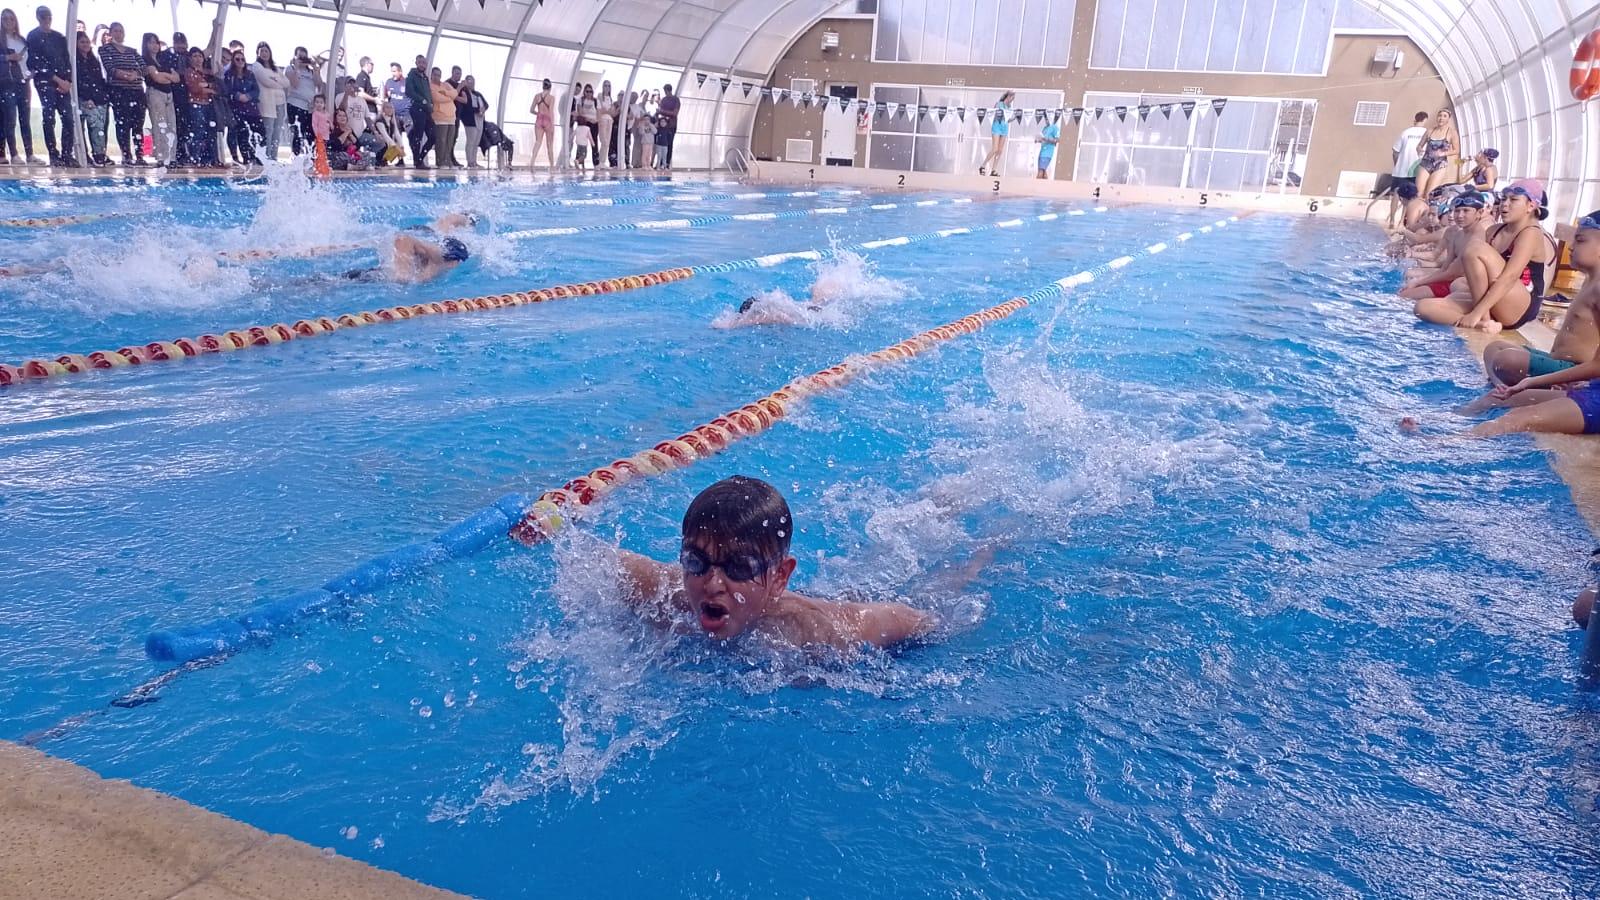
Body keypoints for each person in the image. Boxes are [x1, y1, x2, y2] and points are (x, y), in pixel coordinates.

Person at [611, 476, 933, 651]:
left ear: (780, 576)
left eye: (738, 567)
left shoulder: (814, 633)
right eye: (696, 562)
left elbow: (911, 620)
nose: (711, 584)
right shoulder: (663, 597)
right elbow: (601, 563)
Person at [1403, 212, 1600, 439]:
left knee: (1518, 418)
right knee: (1498, 397)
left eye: (1581, 240)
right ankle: (1446, 420)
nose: (1571, 246)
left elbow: (1596, 366)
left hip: (1588, 385)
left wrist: (1533, 381)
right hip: (1587, 383)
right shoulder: (1591, 282)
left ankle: (1442, 442)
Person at [1414, 180, 1554, 332]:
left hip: (1519, 306)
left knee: (1474, 248)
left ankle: (1483, 318)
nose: (1504, 204)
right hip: (1494, 299)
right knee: (1422, 307)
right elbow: (1456, 270)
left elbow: (1510, 277)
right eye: (1504, 198)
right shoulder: (1493, 231)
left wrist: (1477, 312)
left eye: (1513, 200)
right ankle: (1484, 324)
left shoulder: (1530, 233)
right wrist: (1418, 283)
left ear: (1531, 206)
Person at [1399, 192, 1490, 302]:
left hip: (1464, 286)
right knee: (1404, 292)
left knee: (1405, 295)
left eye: (1466, 211)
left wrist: (1418, 282)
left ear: (1479, 212)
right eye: (1457, 211)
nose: (1460, 215)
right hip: (1450, 280)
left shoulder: (1477, 239)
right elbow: (1445, 269)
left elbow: (1453, 273)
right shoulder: (1458, 235)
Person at [25, 5, 73, 166]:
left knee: (68, 117)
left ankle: (67, 153)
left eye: (48, 16)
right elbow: (36, 62)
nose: (46, 19)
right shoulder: (33, 36)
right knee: (49, 117)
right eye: (43, 16)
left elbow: (66, 60)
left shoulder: (59, 37)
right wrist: (57, 80)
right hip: (45, 82)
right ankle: (53, 154)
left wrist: (68, 82)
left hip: (63, 82)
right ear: (38, 17)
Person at [98, 23, 145, 165]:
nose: (119, 34)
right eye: (116, 31)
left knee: (138, 124)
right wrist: (126, 75)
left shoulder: (132, 51)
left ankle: (139, 155)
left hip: (137, 90)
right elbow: (110, 68)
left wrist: (135, 74)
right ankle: (126, 154)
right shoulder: (105, 49)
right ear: (111, 33)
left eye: (121, 31)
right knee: (123, 123)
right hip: (119, 91)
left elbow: (144, 67)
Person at [339, 233, 469, 284]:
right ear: (456, 261)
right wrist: (403, 274)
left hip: (374, 276)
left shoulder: (440, 267)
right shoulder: (441, 257)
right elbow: (403, 239)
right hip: (374, 276)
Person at [1380, 111, 1428, 226]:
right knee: (1410, 196)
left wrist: (1397, 164)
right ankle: (1401, 221)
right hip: (1416, 169)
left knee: (1396, 194)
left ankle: (1392, 220)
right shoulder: (1427, 133)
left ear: (1415, 120)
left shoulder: (1405, 132)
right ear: (1425, 120)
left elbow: (1395, 151)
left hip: (1401, 169)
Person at [140, 32, 179, 165]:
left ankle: (172, 157)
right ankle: (161, 157)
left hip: (169, 94)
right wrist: (167, 76)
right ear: (145, 44)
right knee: (159, 125)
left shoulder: (163, 59)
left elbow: (176, 78)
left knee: (171, 126)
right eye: (151, 42)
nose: (155, 45)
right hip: (155, 92)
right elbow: (157, 78)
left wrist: (165, 76)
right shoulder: (145, 59)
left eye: (156, 42)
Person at [74, 30, 109, 166]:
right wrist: (87, 97)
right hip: (82, 99)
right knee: (85, 126)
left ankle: (99, 154)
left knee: (98, 127)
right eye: (82, 42)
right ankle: (84, 153)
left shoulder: (93, 61)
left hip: (97, 98)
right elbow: (79, 81)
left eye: (87, 42)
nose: (85, 44)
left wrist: (103, 96)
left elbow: (99, 80)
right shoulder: (75, 61)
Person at [222, 47, 262, 165]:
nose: (240, 62)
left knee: (257, 132)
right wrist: (237, 95)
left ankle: (255, 155)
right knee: (242, 133)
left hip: (251, 109)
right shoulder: (229, 75)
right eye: (237, 59)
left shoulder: (250, 74)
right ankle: (245, 157)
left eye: (242, 59)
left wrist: (248, 96)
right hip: (237, 109)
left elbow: (256, 90)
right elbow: (227, 90)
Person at [0, 8, 30, 165]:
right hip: (6, 82)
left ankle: (30, 154)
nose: (8, 22)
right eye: (5, 19)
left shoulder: (21, 40)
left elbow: (27, 61)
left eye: (11, 19)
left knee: (25, 118)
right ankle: (13, 153)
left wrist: (31, 74)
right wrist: (7, 57)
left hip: (23, 82)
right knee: (9, 119)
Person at [251, 43, 288, 163]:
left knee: (277, 131)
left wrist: (275, 80)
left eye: (266, 51)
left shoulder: (276, 68)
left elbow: (286, 83)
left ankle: (274, 157)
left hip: (280, 102)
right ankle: (266, 157)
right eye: (262, 51)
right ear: (258, 53)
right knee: (268, 130)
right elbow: (265, 81)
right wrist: (277, 82)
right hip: (267, 103)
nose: (264, 54)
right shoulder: (256, 66)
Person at [181, 46, 217, 168]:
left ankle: (209, 159)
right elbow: (195, 88)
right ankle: (195, 157)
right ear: (190, 59)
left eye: (200, 56)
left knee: (210, 132)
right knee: (198, 131)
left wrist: (205, 86)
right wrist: (208, 88)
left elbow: (216, 88)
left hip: (209, 105)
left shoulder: (208, 72)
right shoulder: (189, 72)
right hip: (196, 105)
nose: (198, 59)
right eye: (195, 56)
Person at [1414, 108, 1459, 199]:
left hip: (1440, 164)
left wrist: (1443, 153)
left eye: (1444, 116)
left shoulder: (1451, 133)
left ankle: (1426, 211)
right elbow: (1419, 145)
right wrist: (1419, 149)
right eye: (1440, 116)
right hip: (1426, 163)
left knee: (1428, 194)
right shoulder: (1430, 131)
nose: (1441, 118)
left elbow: (1456, 150)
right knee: (1418, 194)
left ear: (1448, 119)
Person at [285, 46, 319, 157]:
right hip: (295, 104)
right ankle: (295, 156)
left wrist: (315, 67)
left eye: (305, 57)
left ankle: (310, 157)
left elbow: (318, 83)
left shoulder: (310, 71)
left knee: (310, 133)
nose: (303, 59)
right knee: (297, 132)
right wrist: (297, 67)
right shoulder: (290, 69)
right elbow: (295, 84)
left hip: (309, 106)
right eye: (300, 57)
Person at [164, 32, 192, 165]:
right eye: (178, 43)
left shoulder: (189, 57)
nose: (181, 46)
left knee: (185, 125)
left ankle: (184, 152)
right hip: (175, 94)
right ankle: (177, 153)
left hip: (187, 95)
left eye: (183, 43)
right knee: (176, 125)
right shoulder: (168, 56)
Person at [405, 54, 433, 167]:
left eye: (424, 62)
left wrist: (430, 104)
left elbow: (428, 93)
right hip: (417, 108)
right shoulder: (412, 75)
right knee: (418, 136)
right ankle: (417, 160)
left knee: (433, 136)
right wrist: (422, 100)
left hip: (427, 110)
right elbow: (409, 91)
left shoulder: (425, 77)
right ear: (416, 63)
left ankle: (420, 157)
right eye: (420, 62)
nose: (422, 64)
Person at [979, 90, 1013, 177]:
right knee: (995, 148)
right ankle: (983, 165)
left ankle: (993, 170)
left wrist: (1015, 117)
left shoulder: (1009, 107)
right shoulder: (998, 104)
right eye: (1012, 98)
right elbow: (993, 114)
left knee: (1000, 151)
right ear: (1008, 97)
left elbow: (1008, 120)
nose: (1012, 100)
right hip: (997, 127)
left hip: (1004, 128)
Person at [428, 66, 457, 168]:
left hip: (451, 117)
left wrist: (446, 93)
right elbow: (437, 98)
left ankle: (448, 160)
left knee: (450, 141)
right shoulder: (430, 86)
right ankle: (440, 162)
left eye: (439, 75)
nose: (437, 77)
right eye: (435, 75)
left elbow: (455, 93)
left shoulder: (445, 85)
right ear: (431, 75)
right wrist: (449, 98)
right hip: (439, 116)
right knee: (441, 140)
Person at [457, 74, 486, 169]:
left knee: (476, 142)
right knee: (471, 141)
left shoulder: (478, 94)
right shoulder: (463, 92)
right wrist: (478, 110)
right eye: (469, 81)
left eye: (473, 81)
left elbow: (486, 104)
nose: (471, 83)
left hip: (479, 120)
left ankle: (474, 161)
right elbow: (467, 106)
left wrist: (482, 110)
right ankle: (469, 161)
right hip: (470, 120)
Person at [383, 61, 408, 162]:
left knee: (411, 135)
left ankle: (417, 160)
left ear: (400, 71)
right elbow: (384, 96)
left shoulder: (406, 82)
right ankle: (399, 160)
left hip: (405, 114)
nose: (393, 74)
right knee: (397, 137)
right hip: (394, 115)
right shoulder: (389, 82)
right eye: (392, 71)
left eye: (395, 71)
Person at [529, 77, 555, 169]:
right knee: (549, 144)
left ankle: (532, 162)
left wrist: (538, 113)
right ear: (550, 87)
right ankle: (552, 165)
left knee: (538, 142)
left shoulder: (537, 96)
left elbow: (531, 110)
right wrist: (552, 124)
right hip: (548, 120)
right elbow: (551, 111)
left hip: (539, 119)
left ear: (543, 86)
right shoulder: (551, 98)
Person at [369, 100, 403, 166]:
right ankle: (378, 159)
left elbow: (397, 134)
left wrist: (401, 146)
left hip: (386, 143)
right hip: (378, 143)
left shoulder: (392, 120)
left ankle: (385, 160)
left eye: (391, 108)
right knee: (386, 143)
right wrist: (396, 148)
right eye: (387, 107)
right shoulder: (379, 120)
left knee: (397, 145)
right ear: (383, 109)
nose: (390, 110)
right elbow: (385, 136)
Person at [655, 82, 679, 169]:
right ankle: (661, 163)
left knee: (669, 144)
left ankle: (666, 163)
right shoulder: (665, 100)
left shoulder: (675, 100)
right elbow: (661, 110)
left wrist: (661, 111)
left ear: (667, 90)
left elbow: (675, 113)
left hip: (671, 126)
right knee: (661, 144)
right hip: (664, 125)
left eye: (665, 91)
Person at [573, 82, 597, 167]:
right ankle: (578, 161)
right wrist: (588, 119)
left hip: (594, 123)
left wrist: (595, 120)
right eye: (587, 91)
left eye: (590, 91)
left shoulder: (595, 100)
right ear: (584, 92)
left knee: (594, 142)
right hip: (584, 123)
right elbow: (580, 112)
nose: (589, 93)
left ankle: (595, 163)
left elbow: (598, 112)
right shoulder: (581, 100)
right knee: (581, 143)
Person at [596, 79, 615, 169]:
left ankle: (602, 161)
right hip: (603, 120)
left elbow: (611, 112)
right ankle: (600, 161)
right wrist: (607, 111)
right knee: (603, 140)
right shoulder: (600, 96)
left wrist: (607, 111)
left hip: (609, 120)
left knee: (607, 142)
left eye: (609, 86)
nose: (607, 87)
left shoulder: (610, 98)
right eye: (605, 85)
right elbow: (600, 110)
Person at [1036, 115, 1059, 179]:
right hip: (1042, 151)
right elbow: (1043, 138)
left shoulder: (1055, 128)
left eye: (1047, 119)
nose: (1046, 121)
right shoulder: (1045, 128)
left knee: (1040, 171)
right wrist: (1038, 140)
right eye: (1045, 119)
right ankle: (1046, 186)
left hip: (1048, 152)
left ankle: (1036, 185)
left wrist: (1047, 139)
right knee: (1043, 171)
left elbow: (1057, 140)